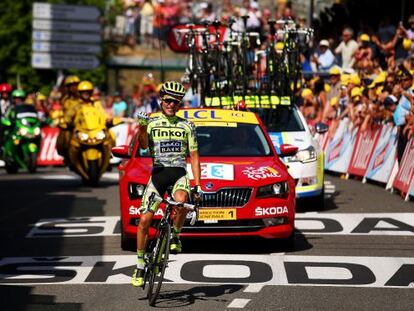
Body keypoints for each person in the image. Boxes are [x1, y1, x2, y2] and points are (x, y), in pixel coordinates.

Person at [131, 81, 201, 287]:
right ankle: (140, 264)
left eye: (176, 102)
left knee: (181, 203)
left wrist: (197, 184)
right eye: (168, 100)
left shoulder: (187, 125)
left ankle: (176, 236)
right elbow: (143, 146)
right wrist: (142, 128)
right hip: (158, 176)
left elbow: (195, 157)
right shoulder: (151, 123)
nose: (172, 105)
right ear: (161, 101)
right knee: (144, 220)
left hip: (179, 174)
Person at [57, 75, 81, 159]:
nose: (74, 88)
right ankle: (67, 155)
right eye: (72, 86)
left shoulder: (85, 98)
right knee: (65, 135)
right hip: (71, 126)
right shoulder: (65, 100)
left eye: (76, 85)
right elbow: (62, 113)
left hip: (85, 124)